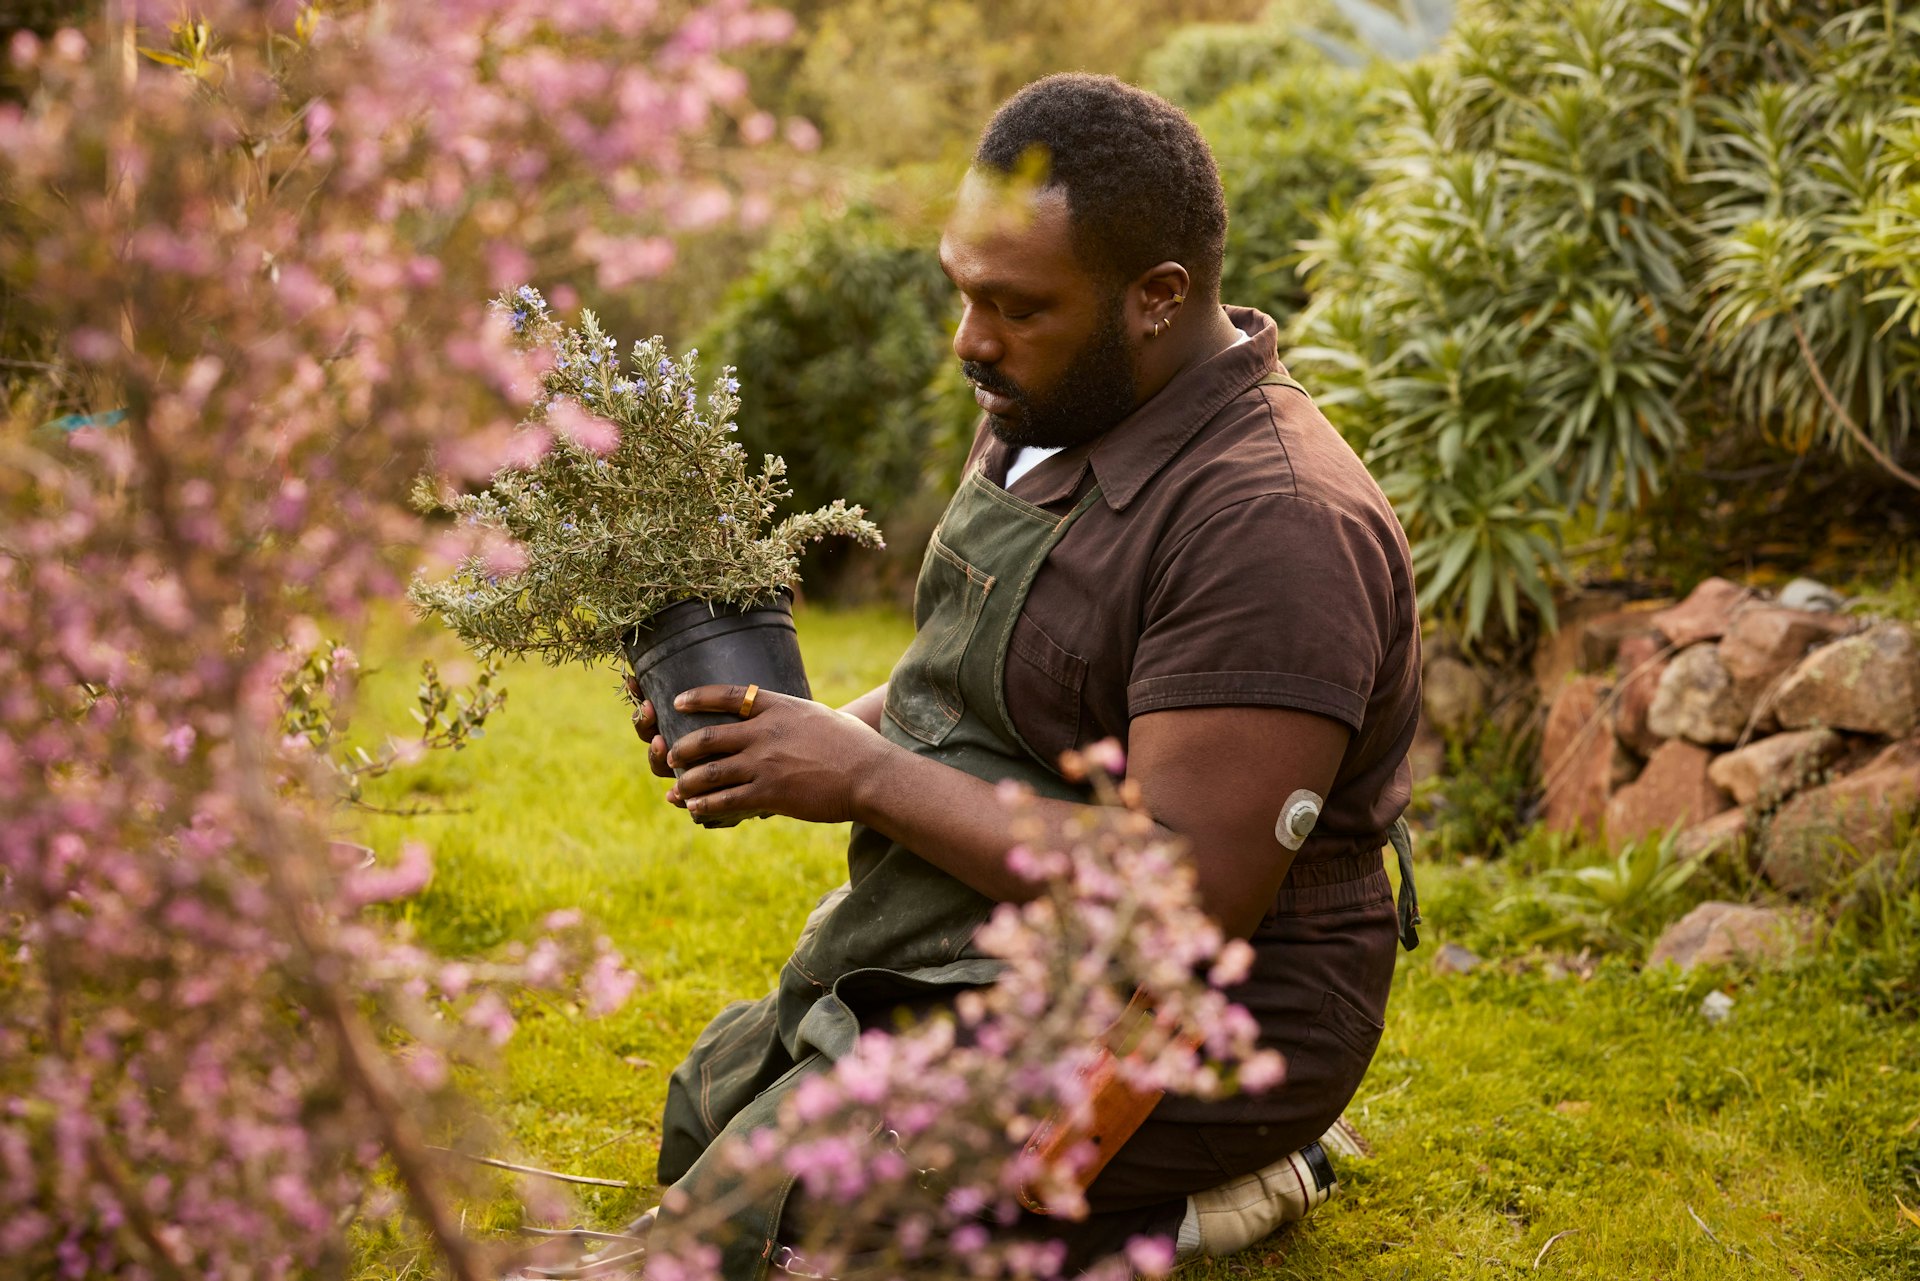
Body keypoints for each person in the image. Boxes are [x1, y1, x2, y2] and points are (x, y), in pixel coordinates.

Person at [626, 73, 1421, 1275]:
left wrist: (868, 780)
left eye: (1013, 306)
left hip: (1219, 1010)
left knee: (826, 1219)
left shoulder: (1274, 529)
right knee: (707, 1123)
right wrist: (785, 738)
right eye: (964, 292)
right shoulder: (1056, 394)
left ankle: (1243, 1180)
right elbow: (980, 669)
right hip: (1014, 932)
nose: (970, 341)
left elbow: (1182, 902)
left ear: (1156, 298)